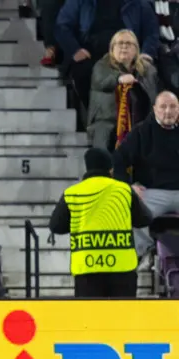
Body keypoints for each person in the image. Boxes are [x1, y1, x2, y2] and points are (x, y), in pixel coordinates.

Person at [49, 148, 152, 297]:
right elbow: (145, 219)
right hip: (122, 269)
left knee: (91, 319)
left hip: (87, 270)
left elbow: (56, 226)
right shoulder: (123, 191)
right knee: (121, 319)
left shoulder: (72, 193)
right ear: (110, 169)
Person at [113, 91, 179, 269]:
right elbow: (119, 159)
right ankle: (144, 252)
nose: (168, 111)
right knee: (132, 210)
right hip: (152, 192)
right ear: (155, 109)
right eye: (163, 107)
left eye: (173, 107)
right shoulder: (142, 132)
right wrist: (129, 186)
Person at [87, 29, 158, 147]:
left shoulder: (148, 70)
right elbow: (100, 81)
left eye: (128, 44)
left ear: (136, 50)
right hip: (106, 120)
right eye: (120, 43)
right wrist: (119, 79)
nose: (124, 47)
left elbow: (153, 95)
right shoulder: (102, 65)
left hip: (139, 121)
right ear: (112, 48)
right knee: (103, 139)